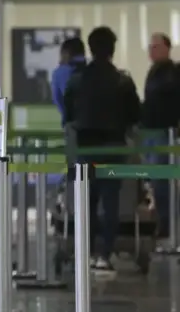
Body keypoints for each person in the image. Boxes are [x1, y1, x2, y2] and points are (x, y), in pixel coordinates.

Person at [63, 26, 140, 271]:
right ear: (112, 49)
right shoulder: (123, 80)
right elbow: (135, 114)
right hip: (114, 149)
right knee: (111, 202)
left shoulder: (76, 80)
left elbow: (68, 114)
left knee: (87, 203)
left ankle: (85, 252)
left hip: (86, 149)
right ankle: (106, 253)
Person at [142, 33, 180, 248]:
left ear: (168, 48)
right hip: (153, 133)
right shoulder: (155, 72)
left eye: (157, 46)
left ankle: (168, 225)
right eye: (150, 46)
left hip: (165, 134)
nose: (152, 50)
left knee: (164, 182)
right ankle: (165, 223)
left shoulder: (171, 74)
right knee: (157, 182)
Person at [51, 37, 86, 125]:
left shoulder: (59, 73)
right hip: (94, 125)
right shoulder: (93, 69)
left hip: (72, 124)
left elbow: (58, 100)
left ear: (65, 53)